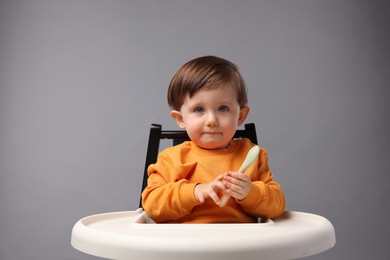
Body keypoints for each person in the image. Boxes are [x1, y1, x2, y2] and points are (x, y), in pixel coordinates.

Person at [142, 55, 286, 223]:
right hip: (183, 244)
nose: (211, 120)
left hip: (241, 244)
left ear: (240, 116)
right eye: (199, 109)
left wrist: (250, 192)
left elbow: (277, 205)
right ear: (181, 119)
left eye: (223, 108)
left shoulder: (251, 155)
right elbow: (152, 205)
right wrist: (194, 192)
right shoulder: (171, 159)